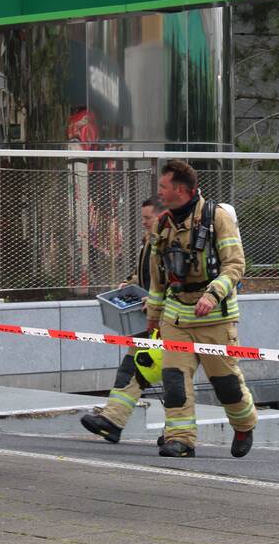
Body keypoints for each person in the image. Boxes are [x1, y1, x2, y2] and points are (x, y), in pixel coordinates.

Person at [146, 160, 257, 458]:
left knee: (226, 384)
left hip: (215, 318)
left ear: (181, 190)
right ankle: (180, 439)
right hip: (176, 318)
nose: (159, 191)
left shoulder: (217, 217)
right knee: (174, 382)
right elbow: (157, 276)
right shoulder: (162, 224)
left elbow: (235, 265)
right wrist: (153, 316)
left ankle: (244, 424)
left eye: (163, 186)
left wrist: (213, 294)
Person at [81, 197, 164, 443]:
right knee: (132, 367)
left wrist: (158, 300)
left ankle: (177, 434)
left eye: (148, 218)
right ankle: (112, 420)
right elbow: (146, 273)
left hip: (172, 321)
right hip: (150, 318)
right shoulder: (150, 240)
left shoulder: (173, 242)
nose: (144, 222)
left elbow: (180, 280)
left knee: (174, 377)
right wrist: (130, 283)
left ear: (162, 216)